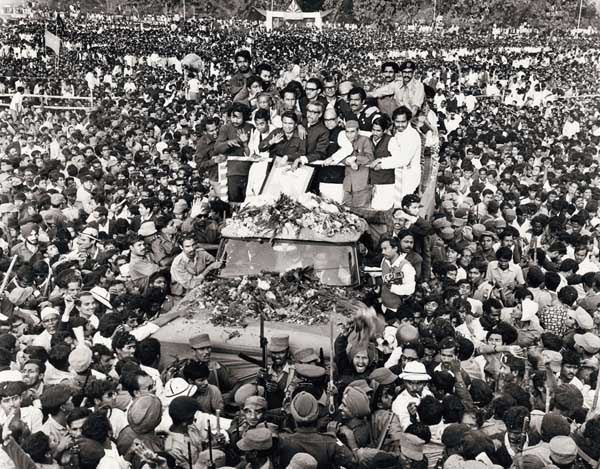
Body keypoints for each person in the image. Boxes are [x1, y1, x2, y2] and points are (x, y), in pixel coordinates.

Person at [371, 106, 422, 206]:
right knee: (397, 204)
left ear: (408, 120)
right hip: (398, 174)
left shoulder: (412, 135)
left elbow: (403, 160)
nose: (400, 125)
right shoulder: (398, 133)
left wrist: (381, 163)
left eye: (403, 122)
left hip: (409, 175)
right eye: (397, 122)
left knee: (405, 205)